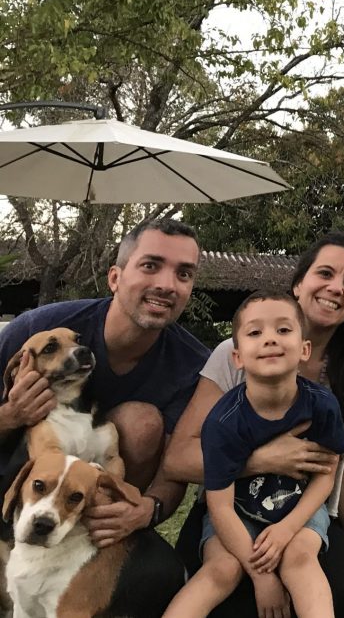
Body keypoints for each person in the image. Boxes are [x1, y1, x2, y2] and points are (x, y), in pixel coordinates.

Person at [167, 232, 344, 617]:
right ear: (299, 282)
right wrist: (261, 460)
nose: (336, 288)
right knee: (230, 598)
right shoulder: (235, 353)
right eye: (325, 273)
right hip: (229, 504)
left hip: (303, 510)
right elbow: (177, 459)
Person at [0, 218, 208, 615]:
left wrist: (147, 509)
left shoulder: (192, 366)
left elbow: (175, 468)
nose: (167, 283)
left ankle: (99, 538)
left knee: (143, 421)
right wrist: (11, 415)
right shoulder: (35, 332)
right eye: (151, 265)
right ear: (115, 276)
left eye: (184, 273)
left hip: (91, 500)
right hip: (11, 488)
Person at [165, 291, 344, 618]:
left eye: (283, 330)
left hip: (299, 505)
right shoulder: (222, 421)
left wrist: (287, 528)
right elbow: (219, 505)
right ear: (237, 357)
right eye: (255, 332)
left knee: (300, 561)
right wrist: (262, 577)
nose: (269, 340)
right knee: (221, 569)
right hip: (235, 510)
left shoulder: (322, 406)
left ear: (304, 349)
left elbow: (326, 475)